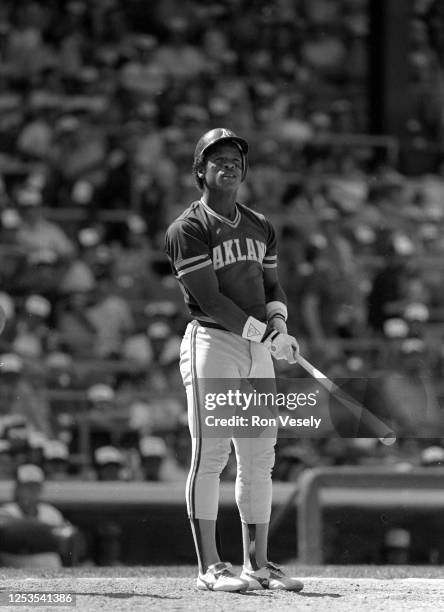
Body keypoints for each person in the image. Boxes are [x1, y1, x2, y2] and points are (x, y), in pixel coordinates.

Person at [165, 128, 304, 593]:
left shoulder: (260, 224)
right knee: (211, 455)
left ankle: (257, 565)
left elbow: (271, 288)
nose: (229, 165)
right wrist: (264, 333)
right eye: (217, 158)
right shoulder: (188, 228)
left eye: (236, 160)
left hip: (256, 347)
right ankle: (210, 567)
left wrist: (280, 324)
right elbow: (211, 299)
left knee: (259, 456)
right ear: (199, 170)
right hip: (213, 343)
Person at [0, 464, 79, 568]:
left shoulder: (51, 512)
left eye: (34, 487)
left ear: (40, 489)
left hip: (55, 573)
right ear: (17, 488)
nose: (30, 492)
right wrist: (50, 534)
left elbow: (67, 540)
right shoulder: (7, 511)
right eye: (26, 487)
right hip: (22, 577)